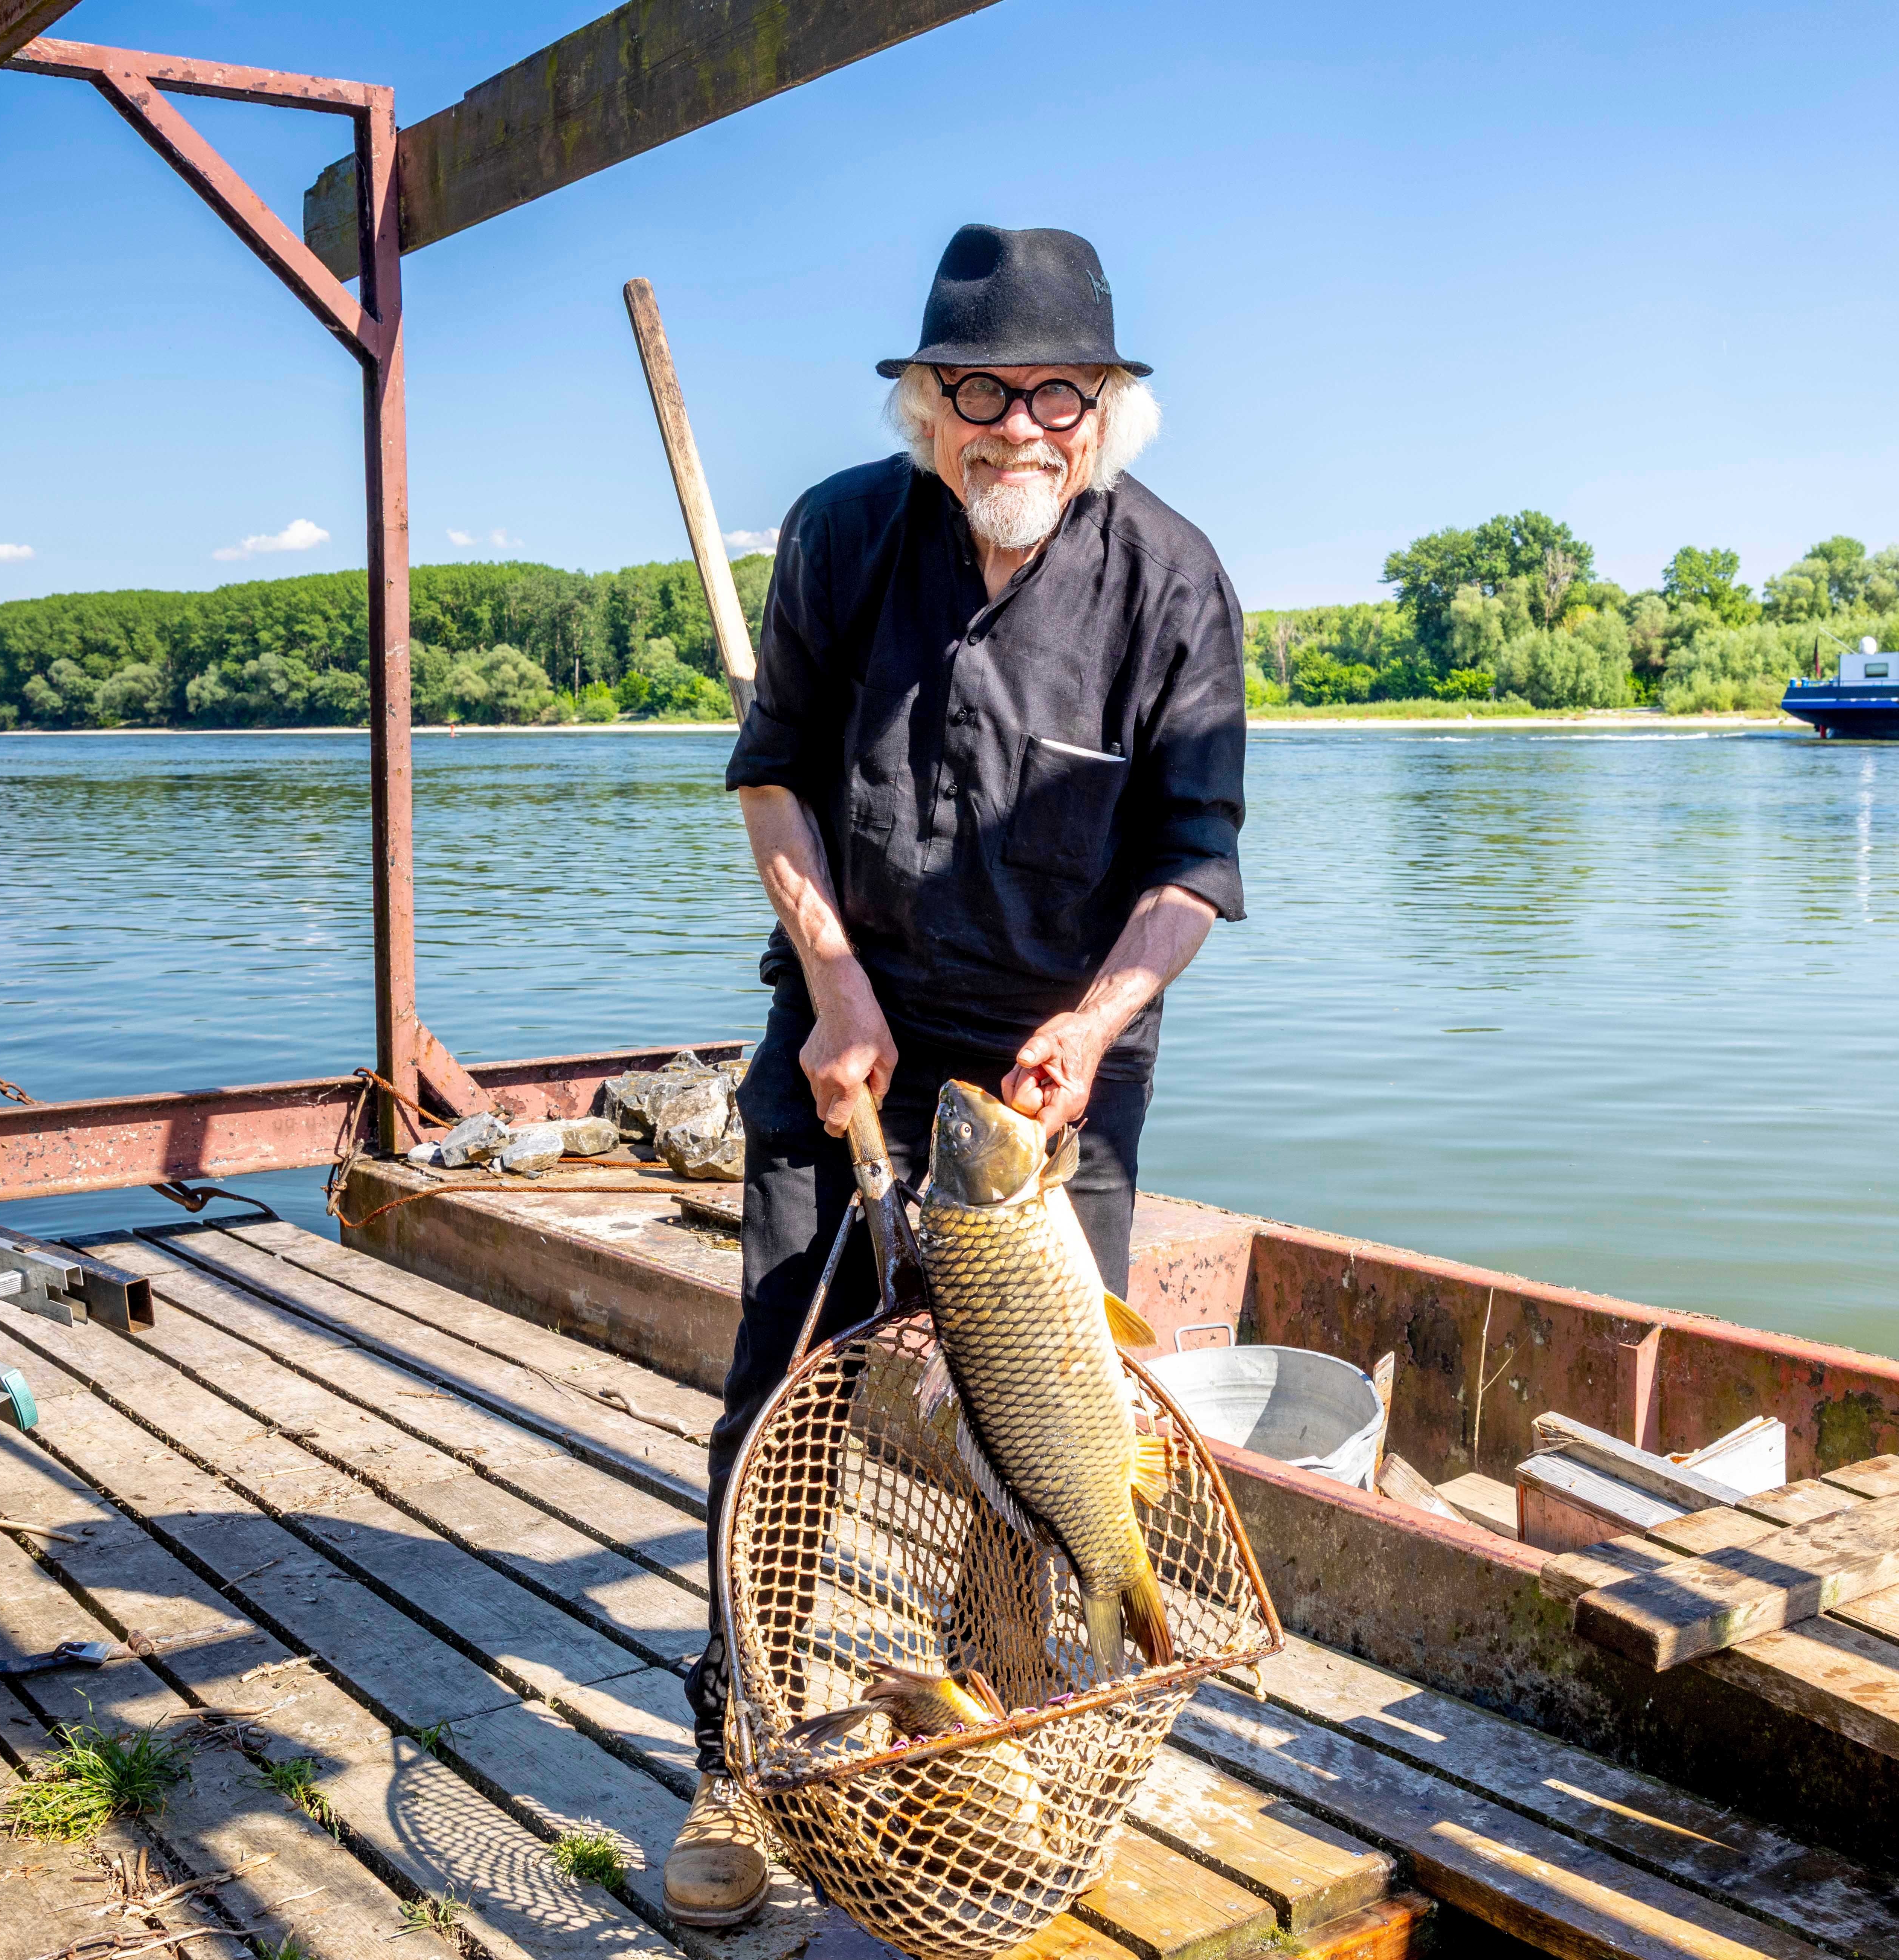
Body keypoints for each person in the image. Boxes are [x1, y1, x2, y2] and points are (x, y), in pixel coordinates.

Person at [661, 223, 1249, 1927]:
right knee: (782, 1395)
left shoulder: (1175, 579)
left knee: (1046, 1432)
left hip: (1057, 1093)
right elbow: (772, 778)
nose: (1017, 425)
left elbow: (1191, 867)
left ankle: (989, 1723)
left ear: (1109, 410)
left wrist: (1095, 1019)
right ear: (927, 405)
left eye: (1056, 391)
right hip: (848, 1047)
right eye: (977, 390)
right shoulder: (845, 535)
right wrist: (836, 984)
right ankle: (739, 1756)